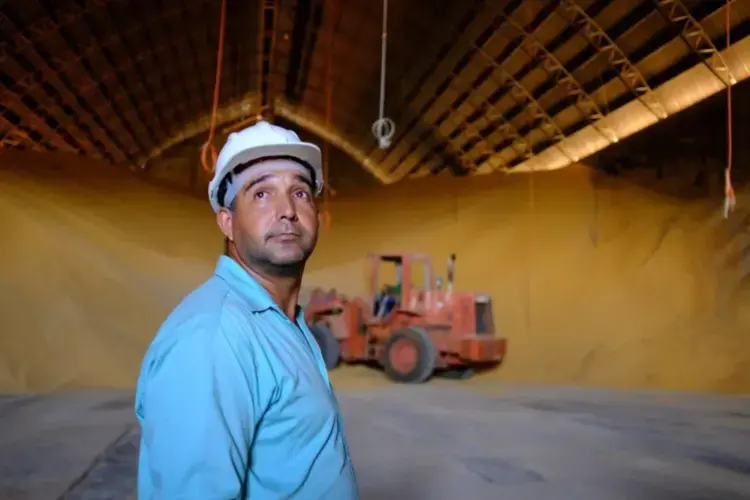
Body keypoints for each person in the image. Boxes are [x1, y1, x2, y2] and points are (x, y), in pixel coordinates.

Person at [134, 121, 359, 499]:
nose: (287, 210)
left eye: (300, 193)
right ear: (227, 221)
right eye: (261, 194)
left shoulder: (282, 322)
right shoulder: (213, 338)